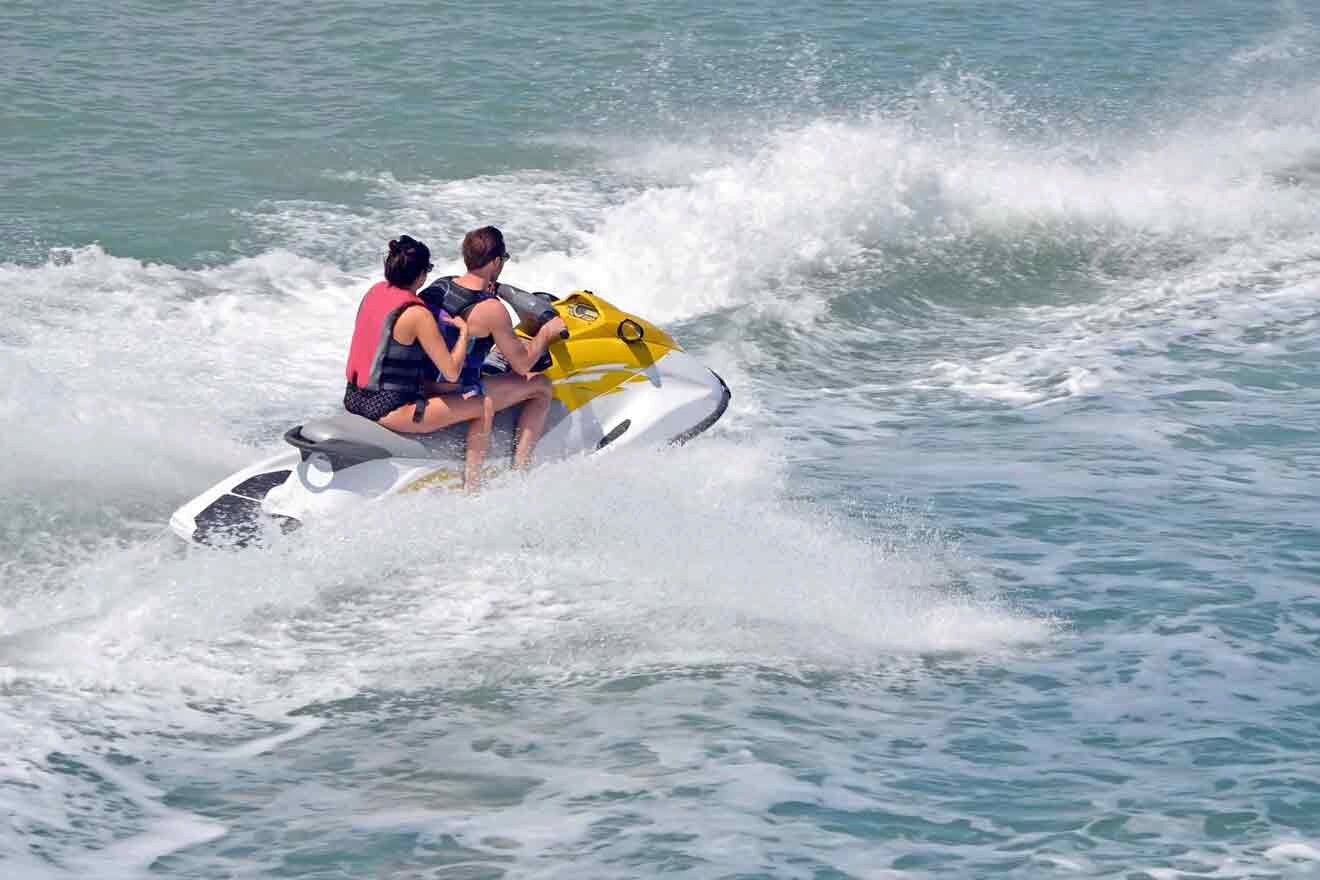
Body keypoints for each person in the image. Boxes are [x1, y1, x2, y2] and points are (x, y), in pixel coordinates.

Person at [344, 235, 494, 489]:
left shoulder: (375, 293)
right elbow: (451, 372)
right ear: (422, 276)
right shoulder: (417, 314)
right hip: (388, 409)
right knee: (483, 407)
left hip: (354, 397)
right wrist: (464, 333)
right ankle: (473, 486)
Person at [418, 226, 567, 474]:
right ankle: (521, 468)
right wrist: (546, 333)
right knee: (541, 386)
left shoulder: (438, 287)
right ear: (496, 261)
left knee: (495, 354)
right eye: (504, 259)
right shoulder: (491, 310)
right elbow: (522, 365)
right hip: (455, 391)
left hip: (424, 383)